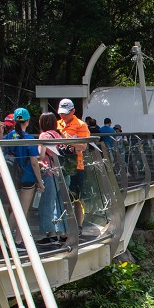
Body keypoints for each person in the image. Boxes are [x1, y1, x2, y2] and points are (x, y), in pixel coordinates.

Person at [4, 108, 44, 236]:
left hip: (12, 176)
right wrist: (40, 181)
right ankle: (14, 239)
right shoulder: (29, 138)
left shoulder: (8, 137)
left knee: (16, 209)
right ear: (27, 121)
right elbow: (34, 162)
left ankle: (13, 238)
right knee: (22, 210)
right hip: (27, 177)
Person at [56, 98, 89, 230]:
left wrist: (66, 140)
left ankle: (79, 226)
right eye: (61, 113)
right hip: (60, 165)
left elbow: (83, 145)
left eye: (65, 113)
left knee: (77, 196)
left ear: (73, 111)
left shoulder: (81, 125)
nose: (63, 116)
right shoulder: (57, 124)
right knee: (62, 197)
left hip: (76, 166)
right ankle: (64, 226)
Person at [37, 112, 67, 244]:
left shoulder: (44, 135)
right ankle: (64, 232)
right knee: (61, 204)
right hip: (63, 173)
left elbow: (41, 155)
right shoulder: (59, 134)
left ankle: (51, 233)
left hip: (50, 172)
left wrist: (34, 160)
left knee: (47, 204)